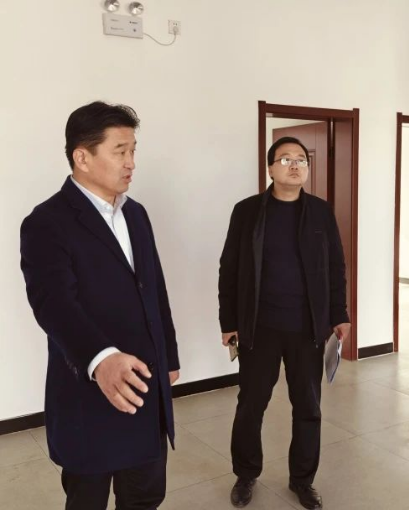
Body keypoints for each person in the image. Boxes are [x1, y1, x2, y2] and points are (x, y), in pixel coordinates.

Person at [20, 101, 180, 510]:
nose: (131, 163)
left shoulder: (136, 214)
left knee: (145, 495)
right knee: (88, 499)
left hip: (145, 386)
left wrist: (169, 355)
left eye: (133, 150)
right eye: (120, 151)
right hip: (88, 393)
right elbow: (53, 304)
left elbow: (155, 289)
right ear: (83, 157)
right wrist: (101, 358)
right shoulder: (47, 222)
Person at [218, 136, 351, 509]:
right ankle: (246, 474)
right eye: (286, 159)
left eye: (301, 159)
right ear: (270, 168)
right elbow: (229, 268)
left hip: (307, 328)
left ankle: (302, 480)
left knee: (308, 407)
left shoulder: (321, 212)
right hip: (258, 328)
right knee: (251, 404)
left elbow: (335, 266)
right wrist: (228, 321)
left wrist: (339, 314)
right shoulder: (247, 211)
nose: (295, 165)